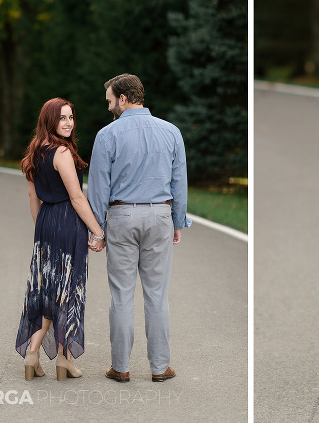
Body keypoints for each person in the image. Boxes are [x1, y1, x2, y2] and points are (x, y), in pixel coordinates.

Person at [87, 73, 190, 383]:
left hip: (121, 217)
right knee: (157, 295)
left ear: (122, 98)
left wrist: (97, 228)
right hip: (160, 214)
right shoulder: (171, 132)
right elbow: (179, 182)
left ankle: (121, 367)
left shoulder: (107, 136)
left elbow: (98, 187)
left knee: (121, 295)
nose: (108, 108)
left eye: (109, 101)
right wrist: (177, 221)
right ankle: (160, 367)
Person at [15, 98, 106, 381]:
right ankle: (57, 358)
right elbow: (77, 197)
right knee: (68, 289)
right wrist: (98, 231)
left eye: (70, 117)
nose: (68, 123)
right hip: (68, 221)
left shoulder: (32, 155)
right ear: (49, 121)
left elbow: (33, 198)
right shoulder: (62, 153)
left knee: (48, 290)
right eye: (62, 118)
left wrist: (43, 229)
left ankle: (42, 355)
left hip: (45, 223)